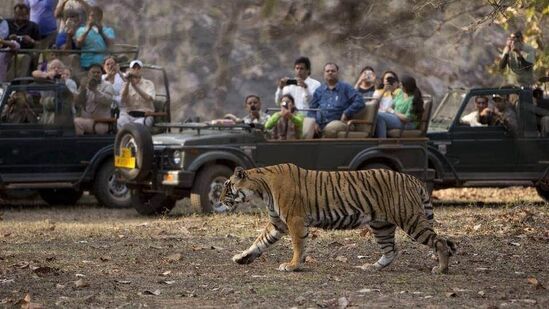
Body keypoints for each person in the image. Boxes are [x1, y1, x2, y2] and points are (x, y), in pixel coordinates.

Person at [308, 63, 364, 138]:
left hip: (340, 123)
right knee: (305, 127)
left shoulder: (346, 88)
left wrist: (346, 113)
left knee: (330, 129)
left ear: (337, 73)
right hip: (320, 124)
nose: (330, 72)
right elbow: (312, 109)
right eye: (327, 71)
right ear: (324, 74)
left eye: (333, 71)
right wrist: (314, 123)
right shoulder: (319, 90)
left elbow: (360, 101)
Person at [275, 56, 320, 138]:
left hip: (307, 118)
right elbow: (279, 102)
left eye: (302, 68)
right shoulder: (289, 85)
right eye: (297, 68)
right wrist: (280, 88)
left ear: (308, 70)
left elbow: (313, 103)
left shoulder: (315, 84)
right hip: (289, 118)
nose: (299, 71)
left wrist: (305, 88)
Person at [73, 63, 114, 135]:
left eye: (98, 72)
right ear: (88, 74)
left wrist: (95, 90)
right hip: (86, 121)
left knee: (76, 122)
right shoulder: (84, 85)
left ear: (102, 74)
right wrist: (83, 88)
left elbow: (109, 101)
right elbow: (78, 102)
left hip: (101, 123)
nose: (96, 74)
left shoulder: (108, 85)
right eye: (93, 72)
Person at [118, 60, 155, 129]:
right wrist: (128, 83)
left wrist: (135, 86)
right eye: (134, 68)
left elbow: (148, 98)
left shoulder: (149, 83)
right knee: (121, 122)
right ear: (130, 70)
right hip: (129, 115)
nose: (136, 70)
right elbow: (123, 99)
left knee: (138, 127)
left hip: (144, 116)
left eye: (138, 68)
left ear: (142, 70)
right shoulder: (125, 84)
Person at [6, 3, 41, 79]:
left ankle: (20, 84)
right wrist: (9, 39)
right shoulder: (7, 23)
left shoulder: (33, 26)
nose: (20, 18)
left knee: (25, 58)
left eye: (23, 15)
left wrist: (31, 40)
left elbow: (39, 44)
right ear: (14, 14)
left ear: (27, 15)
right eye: (18, 15)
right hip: (8, 52)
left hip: (25, 52)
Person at [75, 6, 115, 70]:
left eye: (96, 16)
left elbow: (110, 45)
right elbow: (78, 44)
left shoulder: (108, 30)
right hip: (86, 64)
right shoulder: (81, 30)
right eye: (92, 16)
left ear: (100, 17)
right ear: (88, 17)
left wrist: (101, 32)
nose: (93, 18)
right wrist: (88, 30)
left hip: (103, 65)